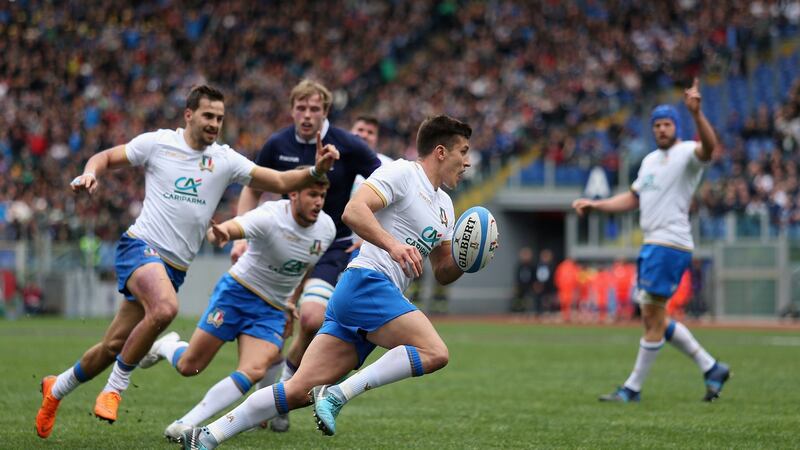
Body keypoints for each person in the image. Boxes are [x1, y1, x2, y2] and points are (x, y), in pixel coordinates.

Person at [35, 85, 339, 439]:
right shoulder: (159, 143)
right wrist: (91, 172)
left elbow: (282, 180)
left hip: (175, 267)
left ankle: (56, 388)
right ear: (189, 114)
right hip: (141, 246)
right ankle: (115, 388)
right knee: (165, 309)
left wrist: (317, 170)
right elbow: (105, 157)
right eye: (208, 116)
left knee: (113, 346)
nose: (214, 124)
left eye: (220, 118)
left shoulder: (225, 159)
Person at [180, 114, 475, 449]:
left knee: (297, 391)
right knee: (435, 351)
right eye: (463, 151)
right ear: (440, 151)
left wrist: (470, 258)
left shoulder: (446, 207)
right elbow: (353, 211)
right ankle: (337, 394)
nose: (467, 162)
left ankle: (207, 435)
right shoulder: (403, 173)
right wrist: (393, 245)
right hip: (367, 282)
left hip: (369, 300)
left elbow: (444, 270)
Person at [230, 80, 380, 433]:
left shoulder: (348, 145)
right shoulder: (277, 144)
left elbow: (386, 184)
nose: (307, 115)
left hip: (331, 246)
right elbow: (253, 190)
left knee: (311, 319)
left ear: (326, 111)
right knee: (275, 327)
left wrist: (367, 234)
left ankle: (283, 387)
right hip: (281, 246)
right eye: (301, 108)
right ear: (292, 109)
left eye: (315, 109)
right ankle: (264, 402)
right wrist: (241, 233)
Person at [136, 176, 335, 442]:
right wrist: (222, 233)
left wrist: (291, 300)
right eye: (313, 194)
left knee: (254, 370)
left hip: (272, 308)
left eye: (322, 196)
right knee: (189, 366)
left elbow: (305, 267)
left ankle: (185, 423)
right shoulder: (270, 216)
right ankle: (166, 346)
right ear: (293, 195)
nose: (319, 202)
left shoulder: (327, 228)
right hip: (237, 293)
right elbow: (234, 227)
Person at [572, 79, 731, 403]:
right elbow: (633, 199)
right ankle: (711, 367)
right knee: (655, 315)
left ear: (676, 126)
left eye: (667, 124)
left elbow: (710, 148)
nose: (662, 129)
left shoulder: (687, 152)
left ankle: (632, 388)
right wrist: (596, 204)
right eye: (657, 125)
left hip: (669, 244)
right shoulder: (648, 162)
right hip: (653, 244)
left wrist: (698, 114)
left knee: (650, 317)